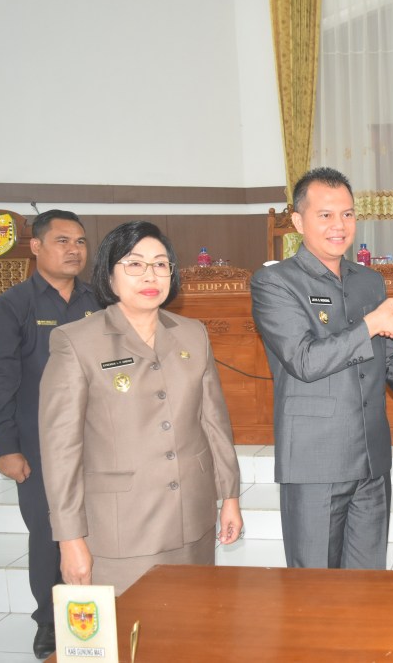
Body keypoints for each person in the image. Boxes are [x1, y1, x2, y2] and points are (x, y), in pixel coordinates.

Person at [250, 167, 393, 570]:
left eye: (348, 214)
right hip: (315, 462)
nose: (339, 226)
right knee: (315, 591)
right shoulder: (275, 283)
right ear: (299, 221)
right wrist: (372, 323)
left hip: (371, 459)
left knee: (369, 588)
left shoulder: (370, 282)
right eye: (326, 215)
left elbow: (389, 358)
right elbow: (303, 360)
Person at [39, 221, 242, 595]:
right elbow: (60, 450)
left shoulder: (192, 333)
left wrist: (229, 496)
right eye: (134, 264)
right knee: (133, 642)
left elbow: (213, 422)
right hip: (121, 529)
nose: (151, 275)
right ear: (109, 276)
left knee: (193, 631)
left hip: (191, 518)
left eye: (161, 264)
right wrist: (69, 538)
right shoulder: (75, 342)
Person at [0, 209, 99, 659]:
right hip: (39, 445)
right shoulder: (11, 308)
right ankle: (49, 623)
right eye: (63, 241)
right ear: (35, 246)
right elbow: (0, 382)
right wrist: (6, 447)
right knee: (51, 536)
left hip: (97, 442)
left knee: (99, 529)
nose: (74, 250)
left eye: (81, 242)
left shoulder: (99, 300)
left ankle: (102, 609)